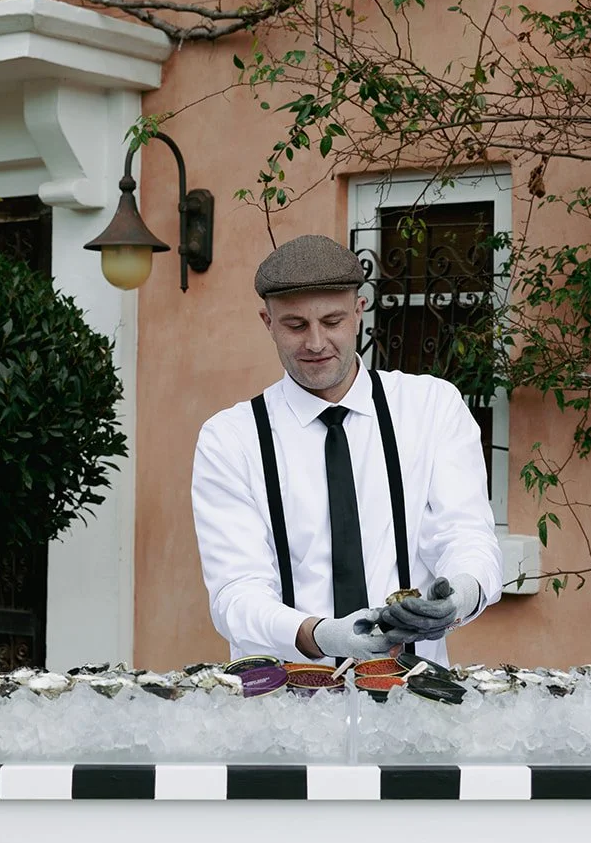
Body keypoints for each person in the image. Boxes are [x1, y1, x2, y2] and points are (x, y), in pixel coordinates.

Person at [191, 234, 504, 664]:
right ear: (268, 322)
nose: (316, 343)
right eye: (295, 325)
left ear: (358, 312)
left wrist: (459, 596)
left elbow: (466, 535)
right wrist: (319, 636)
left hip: (414, 691)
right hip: (285, 696)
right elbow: (236, 593)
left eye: (332, 321)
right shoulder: (229, 439)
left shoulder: (432, 407)